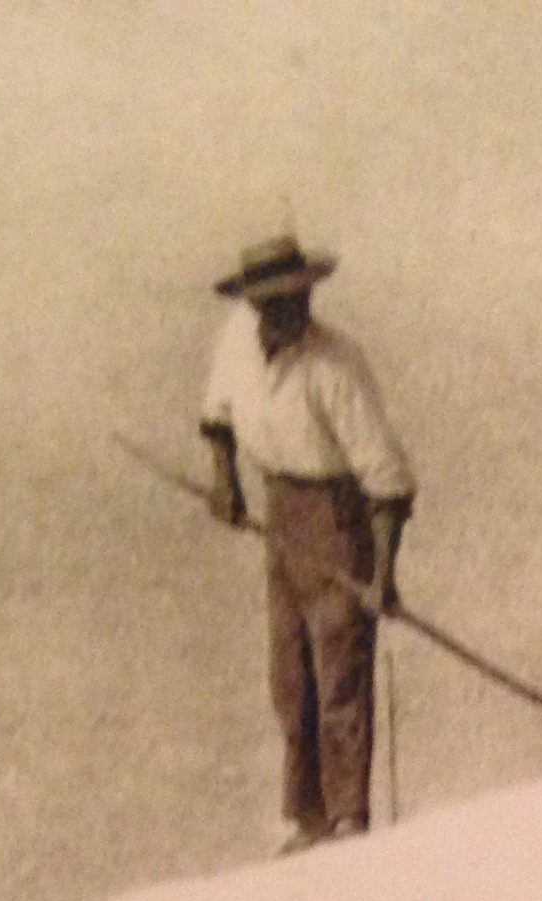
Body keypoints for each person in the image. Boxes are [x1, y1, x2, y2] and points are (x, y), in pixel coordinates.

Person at [200, 231, 417, 846]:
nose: (285, 313)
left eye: (295, 299)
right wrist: (226, 484)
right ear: (253, 305)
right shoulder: (237, 344)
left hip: (340, 516)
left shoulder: (336, 365)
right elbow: (215, 418)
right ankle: (307, 816)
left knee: (340, 670)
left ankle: (349, 817)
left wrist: (381, 576)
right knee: (291, 679)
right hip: (280, 511)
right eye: (271, 303)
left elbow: (389, 483)